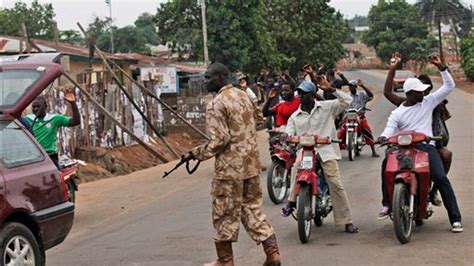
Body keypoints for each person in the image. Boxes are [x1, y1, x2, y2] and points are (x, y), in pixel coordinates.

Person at [184, 63, 281, 266]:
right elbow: (259, 120)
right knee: (252, 209)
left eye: (209, 77)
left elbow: (220, 140)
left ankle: (225, 260)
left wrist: (196, 154)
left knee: (224, 213)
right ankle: (273, 253)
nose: (205, 81)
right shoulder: (245, 95)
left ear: (221, 77)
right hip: (251, 164)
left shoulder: (216, 103)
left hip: (229, 170)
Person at [378, 55, 462, 233]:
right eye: (419, 91)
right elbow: (389, 129)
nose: (423, 93)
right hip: (402, 147)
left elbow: (449, 86)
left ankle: (455, 218)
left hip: (426, 147)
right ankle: (387, 203)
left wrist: (442, 67)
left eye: (423, 91)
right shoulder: (398, 112)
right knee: (386, 166)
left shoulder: (428, 102)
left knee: (440, 177)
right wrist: (383, 137)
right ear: (409, 94)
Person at [281, 79, 359, 234]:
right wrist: (286, 137)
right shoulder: (295, 117)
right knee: (296, 168)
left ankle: (346, 220)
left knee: (335, 182)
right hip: (305, 151)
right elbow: (289, 132)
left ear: (312, 95)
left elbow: (347, 101)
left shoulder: (326, 107)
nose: (301, 96)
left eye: (304, 94)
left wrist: (331, 89)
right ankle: (291, 202)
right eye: (300, 93)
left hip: (325, 150)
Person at [24, 88, 80, 168]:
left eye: (38, 107)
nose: (35, 109)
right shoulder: (27, 119)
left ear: (45, 106)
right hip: (33, 157)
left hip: (50, 156)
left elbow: (76, 121)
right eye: (34, 107)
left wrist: (73, 103)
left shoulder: (55, 118)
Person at [337, 79, 379, 157]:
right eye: (349, 86)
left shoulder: (362, 94)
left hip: (360, 116)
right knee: (341, 130)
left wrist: (363, 86)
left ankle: (373, 151)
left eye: (352, 86)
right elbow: (341, 104)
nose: (350, 88)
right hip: (348, 116)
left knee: (367, 130)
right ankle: (337, 151)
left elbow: (371, 96)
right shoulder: (347, 95)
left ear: (355, 87)